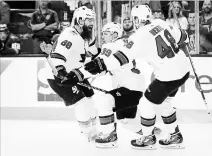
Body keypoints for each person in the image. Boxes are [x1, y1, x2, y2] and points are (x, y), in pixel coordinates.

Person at [61, 4, 190, 149]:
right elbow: (183, 36)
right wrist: (186, 40)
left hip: (167, 76)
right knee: (165, 103)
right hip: (184, 69)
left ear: (136, 19)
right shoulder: (160, 23)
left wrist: (78, 74)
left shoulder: (138, 37)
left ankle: (147, 138)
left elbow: (110, 62)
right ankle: (175, 135)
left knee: (145, 104)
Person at [44, 6, 99, 142]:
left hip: (75, 72)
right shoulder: (70, 34)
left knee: (90, 98)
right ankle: (89, 133)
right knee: (81, 102)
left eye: (92, 19)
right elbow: (58, 56)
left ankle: (95, 129)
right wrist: (61, 73)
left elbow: (93, 52)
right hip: (57, 74)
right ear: (79, 21)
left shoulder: (87, 34)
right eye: (89, 20)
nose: (92, 23)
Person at [90, 22, 145, 148]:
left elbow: (99, 66)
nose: (103, 36)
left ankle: (110, 135)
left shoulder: (110, 45)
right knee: (126, 121)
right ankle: (153, 133)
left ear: (115, 34)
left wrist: (79, 76)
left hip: (129, 87)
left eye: (105, 33)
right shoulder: (123, 43)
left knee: (104, 101)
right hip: (134, 86)